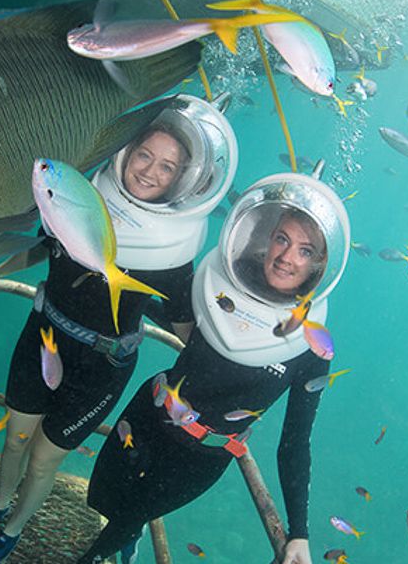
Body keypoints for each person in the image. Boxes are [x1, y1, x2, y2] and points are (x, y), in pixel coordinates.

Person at [0, 94, 238, 563]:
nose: (151, 171)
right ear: (126, 153)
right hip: (44, 333)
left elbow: (183, 322)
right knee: (15, 437)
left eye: (168, 167)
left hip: (103, 366)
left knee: (46, 458)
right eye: (144, 155)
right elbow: (46, 244)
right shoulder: (80, 196)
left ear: (183, 180)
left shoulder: (173, 253)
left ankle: (13, 527)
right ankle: (0, 501)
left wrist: (222, 384)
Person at [76, 166, 351, 564]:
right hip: (148, 414)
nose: (288, 257)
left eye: (305, 251)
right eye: (281, 239)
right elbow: (159, 296)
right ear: (265, 237)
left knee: (123, 519)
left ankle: (111, 543)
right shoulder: (221, 282)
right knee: (101, 496)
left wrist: (299, 533)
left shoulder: (311, 346)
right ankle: (128, 532)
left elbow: (295, 441)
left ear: (320, 267)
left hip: (200, 458)